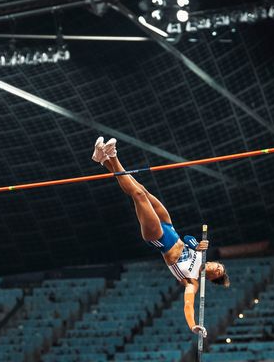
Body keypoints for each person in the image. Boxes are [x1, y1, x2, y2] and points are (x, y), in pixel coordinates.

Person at [92, 137, 230, 337]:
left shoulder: (192, 282)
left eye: (217, 271)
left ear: (211, 277)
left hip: (158, 238)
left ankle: (111, 156)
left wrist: (193, 326)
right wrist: (196, 244)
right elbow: (188, 237)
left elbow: (188, 306)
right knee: (143, 191)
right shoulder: (203, 254)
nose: (216, 267)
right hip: (169, 226)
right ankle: (103, 159)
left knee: (138, 194)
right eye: (219, 265)